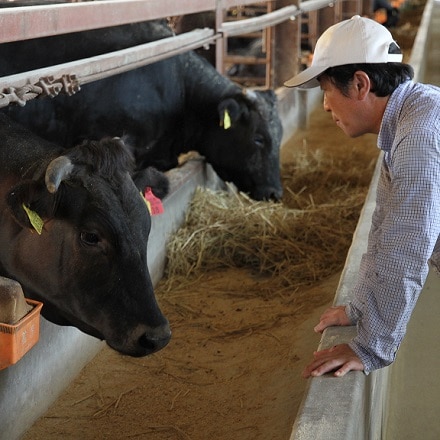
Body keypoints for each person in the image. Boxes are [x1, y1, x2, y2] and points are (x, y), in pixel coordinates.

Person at [284, 15, 440, 377]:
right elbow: (385, 228)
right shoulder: (410, 117)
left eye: (326, 90)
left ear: (359, 84)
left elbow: (407, 246)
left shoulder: (418, 135)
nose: (325, 106)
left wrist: (370, 347)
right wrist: (358, 309)